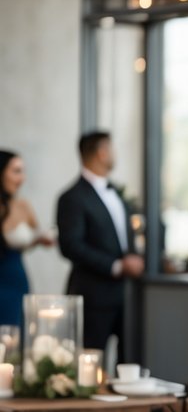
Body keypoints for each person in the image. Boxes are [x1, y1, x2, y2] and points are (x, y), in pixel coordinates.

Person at [56, 131, 144, 352]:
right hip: (93, 296)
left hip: (127, 295)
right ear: (101, 153)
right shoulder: (72, 197)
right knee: (91, 359)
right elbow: (71, 246)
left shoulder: (116, 193)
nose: (114, 154)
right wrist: (116, 266)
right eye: (111, 148)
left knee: (130, 360)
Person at [0, 150, 54, 331]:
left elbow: (36, 236)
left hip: (15, 277)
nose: (22, 178)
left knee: (17, 329)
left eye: (22, 172)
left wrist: (41, 240)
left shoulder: (23, 206)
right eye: (16, 171)